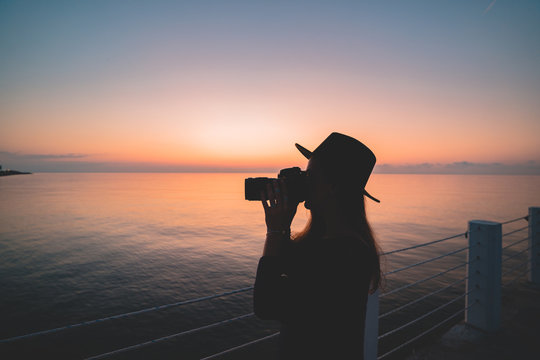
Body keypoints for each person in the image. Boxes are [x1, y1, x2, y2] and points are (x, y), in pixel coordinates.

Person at [253, 132, 383, 360]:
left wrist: (274, 230)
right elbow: (286, 265)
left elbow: (266, 304)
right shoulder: (330, 243)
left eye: (310, 176)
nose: (304, 182)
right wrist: (283, 224)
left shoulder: (346, 255)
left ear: (333, 186)